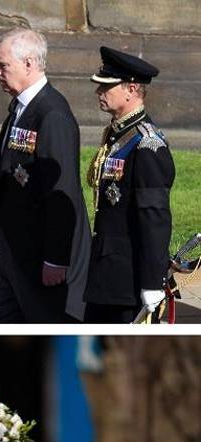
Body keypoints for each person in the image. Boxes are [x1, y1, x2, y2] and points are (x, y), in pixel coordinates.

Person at [0, 28, 89, 323]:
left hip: (39, 256)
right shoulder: (21, 108)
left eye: (3, 65)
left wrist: (55, 258)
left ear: (29, 63)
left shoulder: (52, 114)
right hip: (15, 252)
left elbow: (62, 190)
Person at [83, 47, 174, 323]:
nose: (99, 92)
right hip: (108, 272)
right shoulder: (117, 133)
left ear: (131, 89)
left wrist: (152, 282)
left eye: (106, 87)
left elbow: (154, 217)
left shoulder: (147, 145)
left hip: (130, 278)